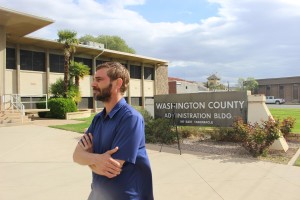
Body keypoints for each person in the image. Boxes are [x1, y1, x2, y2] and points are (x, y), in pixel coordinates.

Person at [73, 62, 154, 200]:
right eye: (94, 80)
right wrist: (97, 159)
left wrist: (88, 158)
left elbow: (111, 169)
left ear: (117, 83)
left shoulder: (130, 118)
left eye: (99, 80)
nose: (93, 84)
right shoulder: (98, 119)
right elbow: (76, 156)